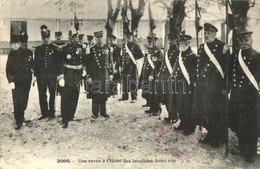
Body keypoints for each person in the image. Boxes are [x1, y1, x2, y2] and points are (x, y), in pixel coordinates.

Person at [192, 23, 229, 147]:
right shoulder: (202, 47)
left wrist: (225, 87)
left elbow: (227, 68)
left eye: (209, 33)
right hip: (204, 86)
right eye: (205, 33)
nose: (206, 35)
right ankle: (211, 134)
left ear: (215, 33)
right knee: (206, 112)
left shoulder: (222, 46)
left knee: (218, 113)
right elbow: (199, 66)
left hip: (216, 86)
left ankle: (220, 138)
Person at [229, 31, 260, 162]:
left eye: (246, 40)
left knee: (251, 124)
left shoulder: (258, 56)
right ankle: (242, 147)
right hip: (237, 95)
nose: (244, 43)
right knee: (239, 121)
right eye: (241, 41)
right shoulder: (235, 55)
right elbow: (229, 71)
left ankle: (251, 152)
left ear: (251, 40)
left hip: (251, 97)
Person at [168, 34, 197, 135]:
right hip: (178, 84)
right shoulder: (180, 55)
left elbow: (193, 73)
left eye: (185, 43)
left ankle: (190, 127)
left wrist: (191, 87)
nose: (182, 45)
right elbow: (176, 68)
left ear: (189, 43)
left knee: (188, 106)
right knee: (180, 105)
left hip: (186, 85)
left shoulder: (192, 56)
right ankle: (183, 123)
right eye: (181, 43)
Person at [58, 29, 87, 128]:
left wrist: (84, 69)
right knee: (66, 96)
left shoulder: (81, 47)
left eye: (76, 37)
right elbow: (60, 62)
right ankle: (64, 118)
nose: (74, 39)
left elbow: (84, 60)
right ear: (69, 38)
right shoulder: (65, 48)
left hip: (77, 75)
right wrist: (61, 76)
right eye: (72, 37)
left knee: (75, 95)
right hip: (68, 74)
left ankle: (71, 115)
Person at [6, 31, 33, 130]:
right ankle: (18, 120)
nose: (24, 44)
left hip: (27, 80)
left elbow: (31, 65)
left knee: (25, 99)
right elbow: (8, 69)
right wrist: (11, 81)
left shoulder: (29, 52)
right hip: (17, 81)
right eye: (22, 42)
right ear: (19, 43)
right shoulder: (13, 54)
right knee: (17, 100)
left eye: (25, 42)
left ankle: (21, 116)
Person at [86, 31, 113, 119]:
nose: (99, 39)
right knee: (96, 94)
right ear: (95, 39)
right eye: (97, 38)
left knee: (104, 94)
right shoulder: (91, 50)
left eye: (101, 37)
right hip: (95, 75)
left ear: (103, 38)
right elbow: (88, 64)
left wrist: (111, 73)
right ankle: (95, 113)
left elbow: (110, 62)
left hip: (105, 74)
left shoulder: (107, 48)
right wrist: (88, 76)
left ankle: (103, 112)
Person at [34, 25, 58, 120]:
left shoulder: (55, 48)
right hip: (41, 76)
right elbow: (36, 63)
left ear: (50, 38)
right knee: (42, 94)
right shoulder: (38, 49)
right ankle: (44, 113)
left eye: (48, 37)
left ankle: (52, 112)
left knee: (52, 93)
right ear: (41, 38)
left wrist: (57, 74)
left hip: (52, 76)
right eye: (44, 38)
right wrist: (35, 76)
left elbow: (57, 62)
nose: (46, 39)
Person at [155, 33, 179, 123]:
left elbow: (176, 65)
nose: (170, 41)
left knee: (171, 98)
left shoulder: (176, 51)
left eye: (172, 39)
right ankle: (170, 115)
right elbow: (164, 64)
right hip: (164, 77)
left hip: (171, 78)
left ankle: (174, 116)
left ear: (175, 40)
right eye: (169, 39)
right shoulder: (167, 50)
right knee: (165, 97)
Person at [141, 33, 163, 115]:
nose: (149, 42)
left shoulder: (158, 51)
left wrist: (153, 74)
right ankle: (151, 108)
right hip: (148, 73)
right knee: (150, 91)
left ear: (155, 41)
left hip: (155, 74)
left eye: (151, 40)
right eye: (148, 40)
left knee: (155, 92)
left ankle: (157, 109)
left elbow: (159, 64)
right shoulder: (149, 50)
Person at [120, 31, 144, 103]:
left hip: (132, 66)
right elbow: (122, 56)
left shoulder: (135, 45)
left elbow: (141, 55)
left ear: (132, 37)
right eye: (127, 37)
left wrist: (134, 58)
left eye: (129, 37)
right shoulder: (124, 45)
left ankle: (134, 97)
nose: (128, 38)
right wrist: (121, 65)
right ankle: (125, 96)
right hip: (125, 66)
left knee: (133, 82)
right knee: (125, 82)